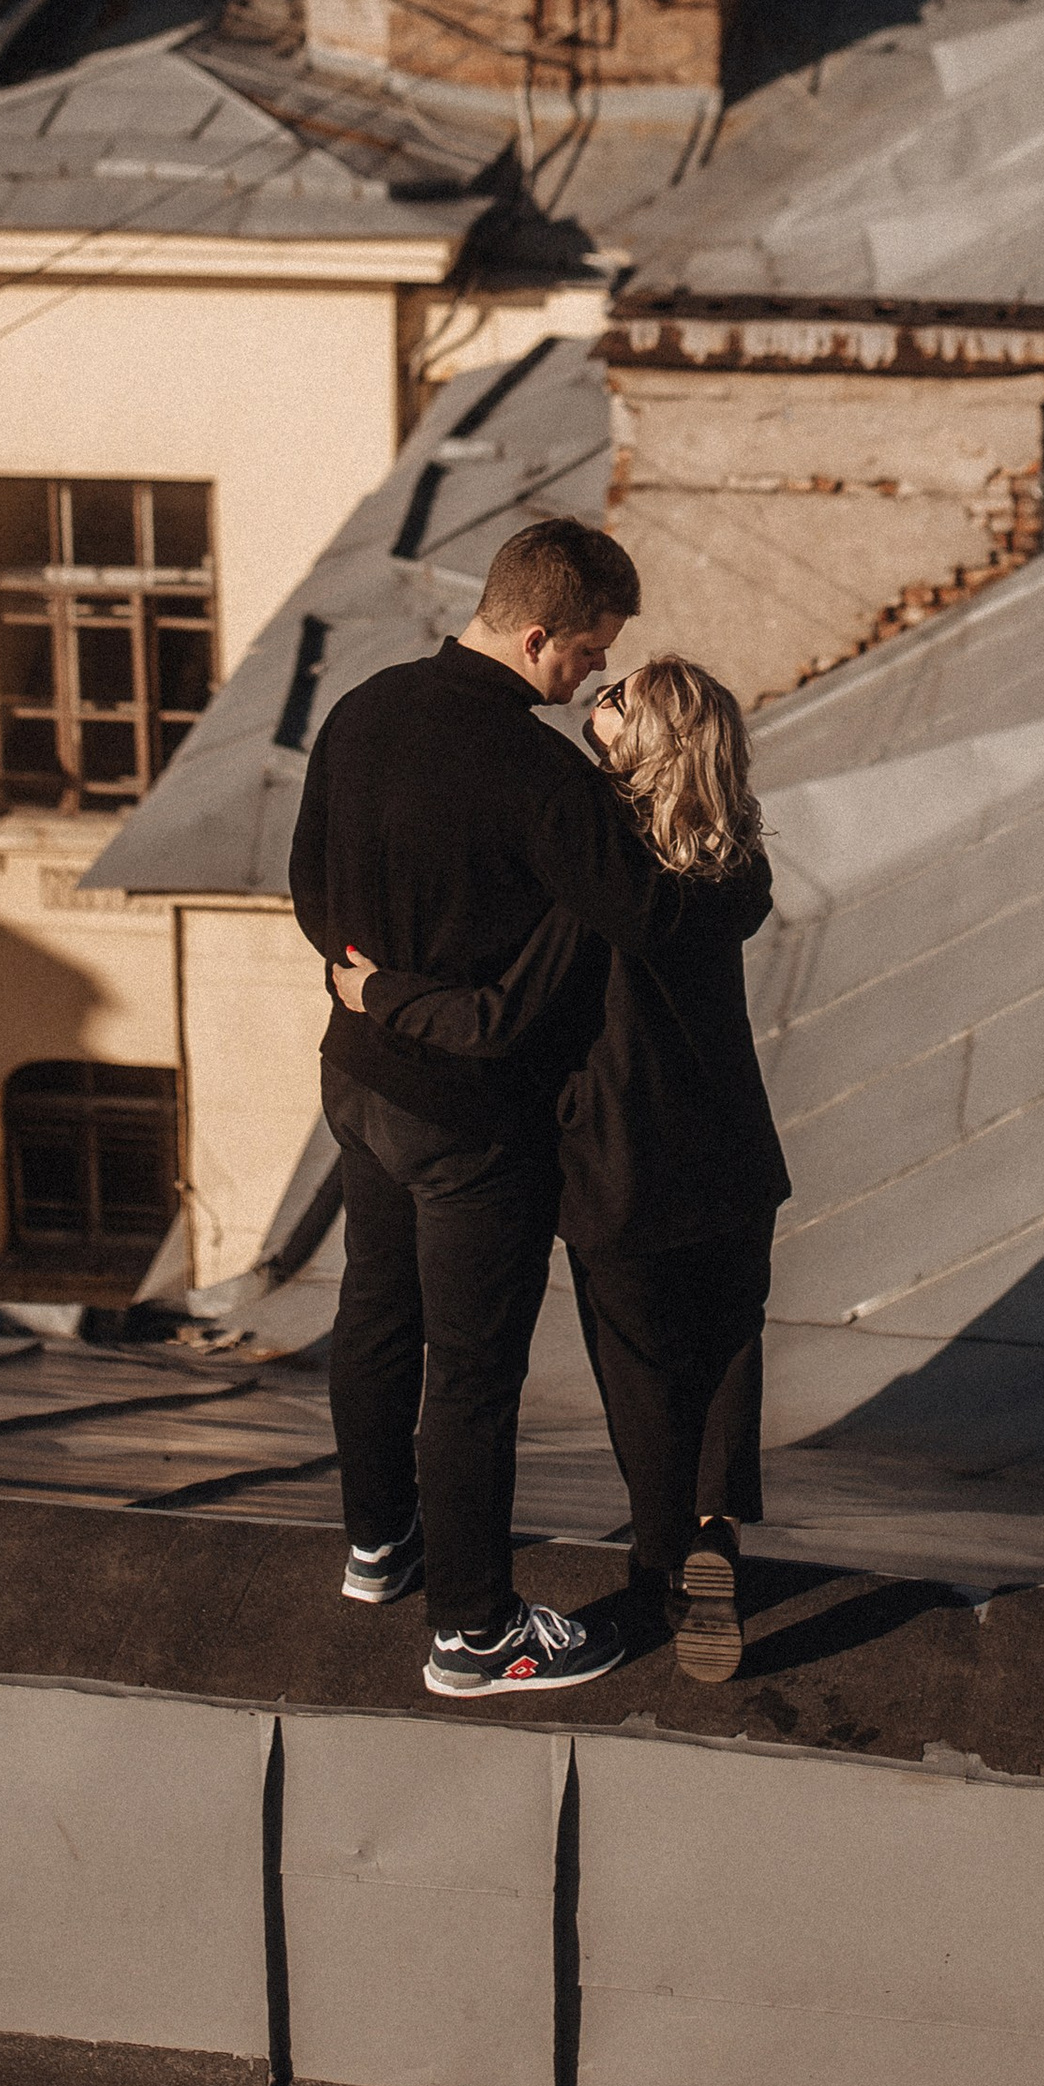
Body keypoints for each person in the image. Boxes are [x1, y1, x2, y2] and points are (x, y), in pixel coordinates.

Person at [290, 516, 695, 1701]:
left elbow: (309, 889)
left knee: (375, 1311)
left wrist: (372, 983)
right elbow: (646, 916)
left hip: (360, 1075)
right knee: (472, 1370)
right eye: (587, 652)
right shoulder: (535, 770)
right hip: (471, 1113)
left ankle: (379, 1546)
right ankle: (473, 1632)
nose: (588, 677)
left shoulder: (361, 708)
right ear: (536, 634)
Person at [340, 655, 789, 1686]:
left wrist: (379, 996)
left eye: (620, 697)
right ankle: (716, 1531)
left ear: (649, 743)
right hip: (734, 1149)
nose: (601, 693)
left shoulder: (597, 875)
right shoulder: (735, 863)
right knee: (727, 1345)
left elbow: (501, 1017)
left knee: (641, 1375)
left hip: (617, 1158)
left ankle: (662, 1565)